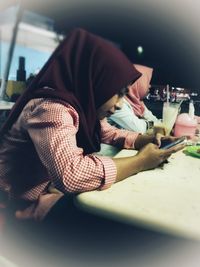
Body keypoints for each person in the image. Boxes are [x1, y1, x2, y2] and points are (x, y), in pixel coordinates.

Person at [0, 28, 184, 225]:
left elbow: (108, 132)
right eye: (118, 93)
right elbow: (72, 175)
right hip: (14, 204)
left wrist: (144, 140)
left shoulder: (80, 105)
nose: (121, 103)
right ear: (94, 79)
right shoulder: (52, 108)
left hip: (43, 189)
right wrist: (141, 161)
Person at [107, 64, 162, 134]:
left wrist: (161, 124)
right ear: (138, 83)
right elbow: (140, 128)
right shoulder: (116, 102)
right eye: (147, 82)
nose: (149, 86)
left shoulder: (138, 103)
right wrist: (156, 125)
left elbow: (151, 118)